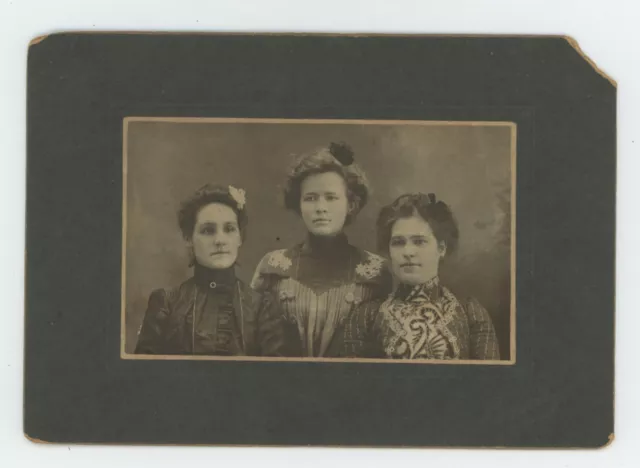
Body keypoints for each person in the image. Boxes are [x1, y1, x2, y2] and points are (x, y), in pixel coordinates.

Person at [250, 142, 392, 357]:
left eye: (331, 197)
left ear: (351, 204)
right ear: (298, 205)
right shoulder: (272, 268)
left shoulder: (375, 272)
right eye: (310, 198)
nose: (320, 208)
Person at [345, 192, 500, 360]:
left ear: (442, 248)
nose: (408, 252)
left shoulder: (471, 312)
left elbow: (490, 381)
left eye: (419, 241)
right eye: (398, 242)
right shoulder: (367, 315)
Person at [135, 183, 259, 356]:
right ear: (188, 238)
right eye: (208, 230)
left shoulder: (262, 307)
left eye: (229, 229)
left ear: (240, 238)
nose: (220, 240)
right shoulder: (167, 304)